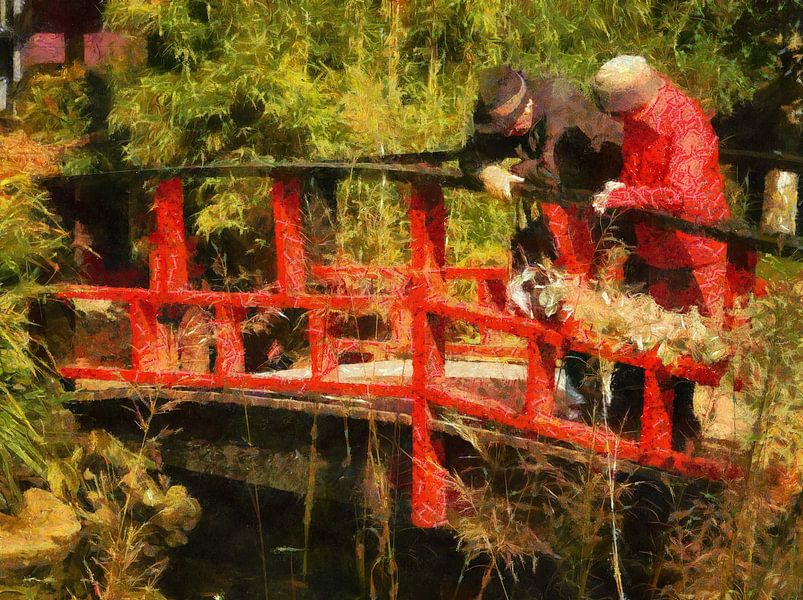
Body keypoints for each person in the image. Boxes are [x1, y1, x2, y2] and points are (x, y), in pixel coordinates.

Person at [590, 55, 733, 450]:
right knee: (636, 340)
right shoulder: (637, 120)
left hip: (691, 251)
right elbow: (635, 171)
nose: (616, 123)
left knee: (681, 354)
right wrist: (621, 189)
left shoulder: (683, 122)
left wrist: (625, 195)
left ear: (632, 104)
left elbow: (682, 195)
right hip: (651, 244)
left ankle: (676, 452)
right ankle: (623, 434)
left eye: (617, 114)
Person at [461, 65, 623, 278]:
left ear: (528, 105)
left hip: (609, 188)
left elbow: (551, 172)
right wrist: (488, 172)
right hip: (568, 198)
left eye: (512, 125)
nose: (508, 134)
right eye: (503, 129)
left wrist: (512, 170)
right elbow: (470, 156)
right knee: (529, 255)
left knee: (587, 271)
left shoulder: (560, 102)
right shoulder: (506, 109)